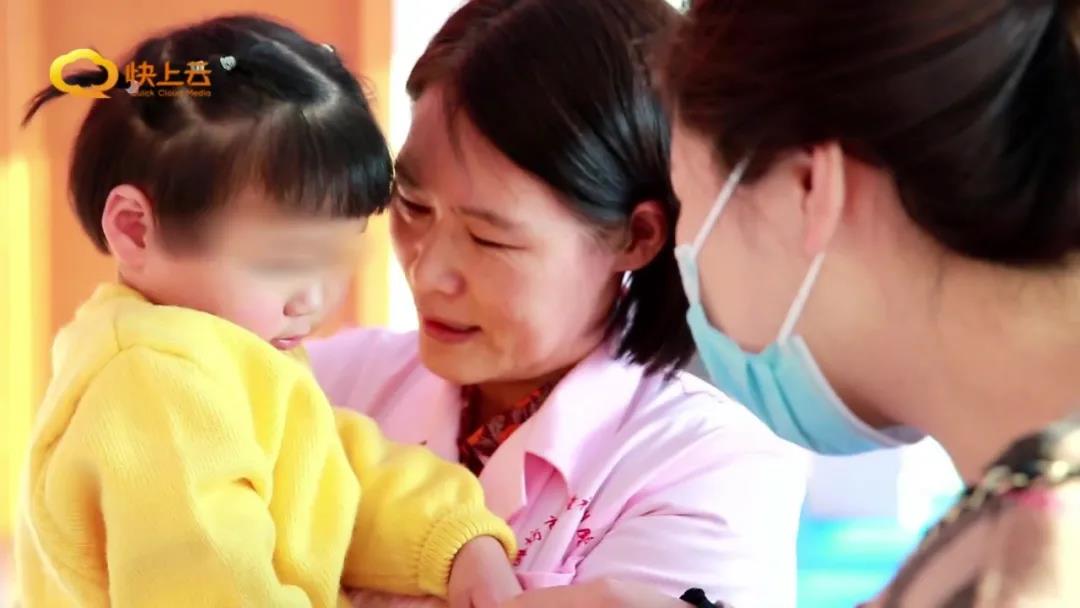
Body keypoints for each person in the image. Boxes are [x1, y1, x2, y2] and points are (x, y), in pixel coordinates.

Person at [507, 0, 1080, 606]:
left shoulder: (1019, 571)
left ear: (809, 186)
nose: (685, 255)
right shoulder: (1013, 525)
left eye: (688, 202)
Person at [308, 1, 808, 606]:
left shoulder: (709, 471)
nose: (427, 270)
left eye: (489, 238)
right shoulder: (326, 383)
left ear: (635, 237)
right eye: (412, 205)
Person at [15, 15, 519, 608]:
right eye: (284, 261)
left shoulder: (221, 351)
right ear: (134, 229)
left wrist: (457, 540)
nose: (313, 299)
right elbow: (213, 589)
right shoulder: (154, 386)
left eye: (336, 257)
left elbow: (331, 478)